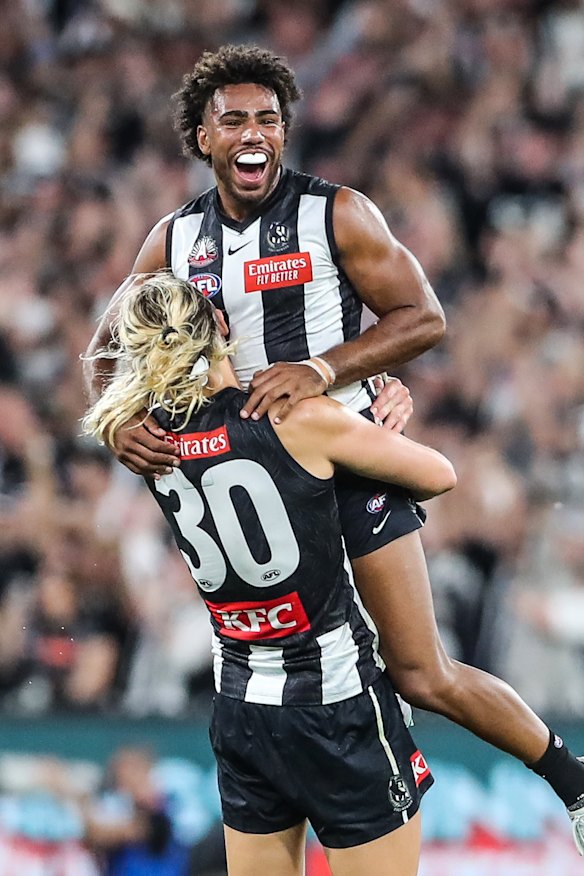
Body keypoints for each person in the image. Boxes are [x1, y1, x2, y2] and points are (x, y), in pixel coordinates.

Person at [83, 45, 584, 851]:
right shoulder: (174, 239)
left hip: (341, 457)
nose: (254, 132)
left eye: (269, 119)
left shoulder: (335, 213)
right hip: (240, 463)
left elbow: (423, 317)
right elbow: (105, 348)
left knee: (421, 671)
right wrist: (114, 423)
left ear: (285, 133)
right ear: (203, 138)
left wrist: (323, 369)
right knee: (274, 672)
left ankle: (574, 783)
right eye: (235, 119)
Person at [82, 271, 460, 876]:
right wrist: (380, 413)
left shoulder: (147, 447)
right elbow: (439, 475)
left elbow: (119, 409)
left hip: (240, 704)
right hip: (335, 698)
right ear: (222, 328)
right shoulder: (296, 419)